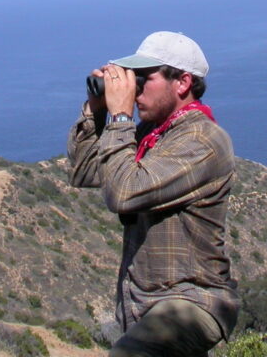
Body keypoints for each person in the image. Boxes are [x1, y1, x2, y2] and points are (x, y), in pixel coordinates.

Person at [68, 31, 238, 357]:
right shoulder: (153, 133)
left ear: (182, 82)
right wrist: (96, 110)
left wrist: (120, 117)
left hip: (191, 300)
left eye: (144, 78)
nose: (135, 88)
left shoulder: (203, 140)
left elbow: (123, 193)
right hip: (144, 305)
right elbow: (85, 172)